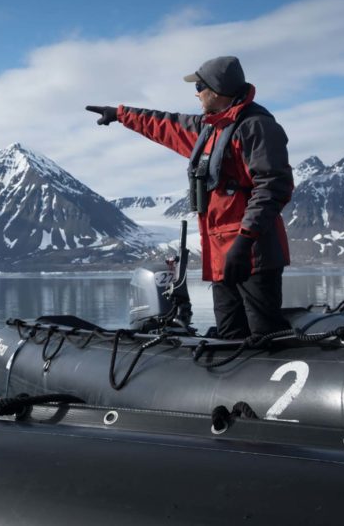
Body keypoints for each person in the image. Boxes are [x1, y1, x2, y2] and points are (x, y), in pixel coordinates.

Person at [86, 55, 293, 339]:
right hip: (222, 256)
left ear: (216, 90)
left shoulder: (255, 127)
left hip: (253, 255)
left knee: (265, 334)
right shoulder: (209, 128)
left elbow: (273, 186)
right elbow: (165, 124)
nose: (196, 93)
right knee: (231, 333)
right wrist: (120, 114)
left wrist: (245, 241)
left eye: (199, 86)